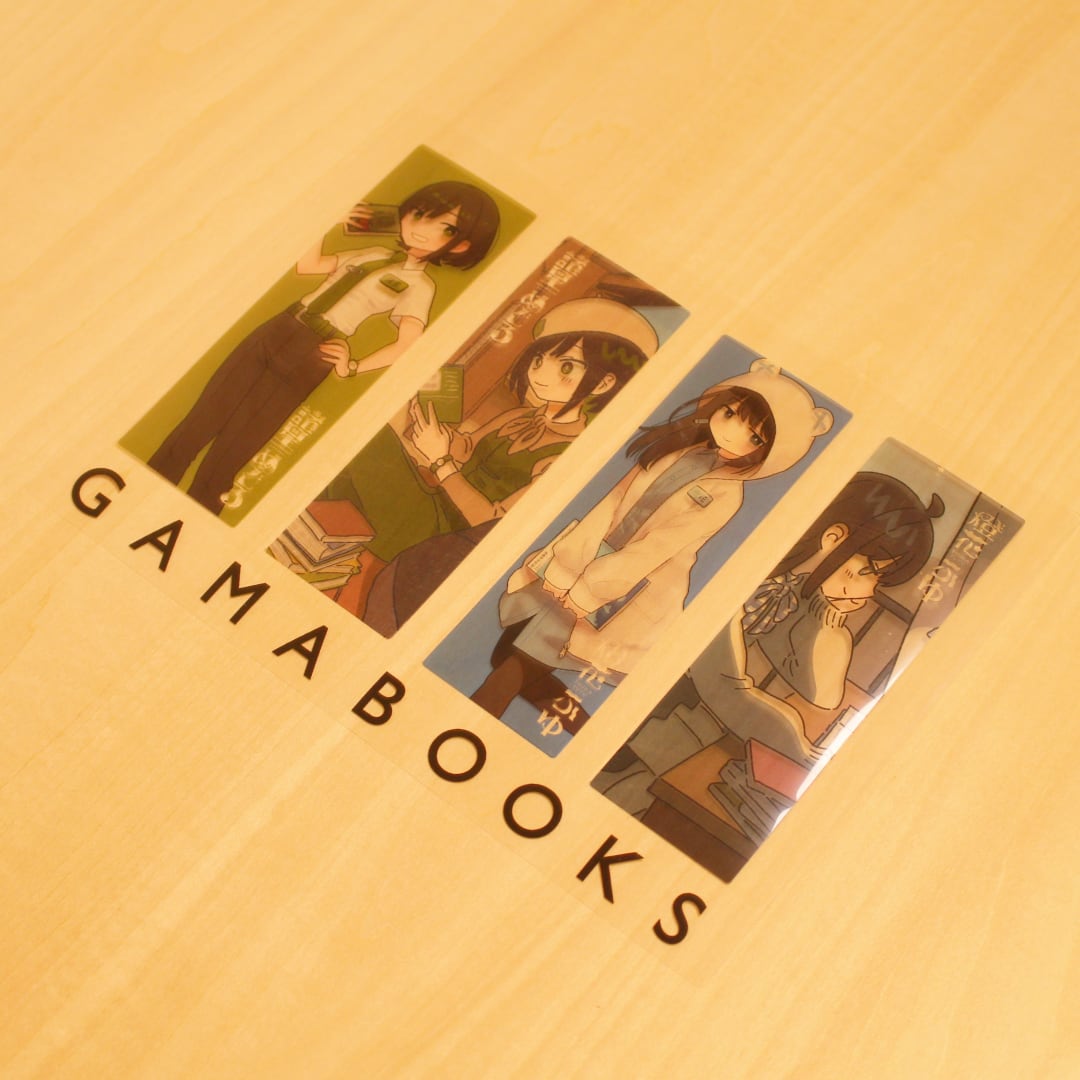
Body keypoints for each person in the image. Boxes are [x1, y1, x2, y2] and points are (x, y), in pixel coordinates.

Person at [469, 360, 836, 719]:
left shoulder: (726, 495)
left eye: (754, 437)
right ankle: (579, 725)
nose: (731, 433)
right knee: (509, 650)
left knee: (521, 661)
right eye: (729, 414)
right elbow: (611, 502)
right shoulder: (675, 450)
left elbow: (659, 547)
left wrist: (592, 588)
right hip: (583, 557)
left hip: (629, 585)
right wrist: (569, 561)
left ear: (768, 454)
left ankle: (544, 720)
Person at [593, 471, 944, 817]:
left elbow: (820, 695)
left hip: (673, 723)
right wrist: (804, 752)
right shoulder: (749, 566)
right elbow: (724, 689)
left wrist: (828, 623)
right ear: (833, 538)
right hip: (627, 702)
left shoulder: (792, 591)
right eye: (869, 572)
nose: (868, 592)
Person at [147, 181, 500, 514]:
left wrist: (353, 366)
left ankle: (191, 518)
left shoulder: (420, 286)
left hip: (313, 353)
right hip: (279, 327)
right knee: (196, 424)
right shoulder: (373, 252)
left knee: (233, 452)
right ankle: (142, 494)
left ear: (460, 246)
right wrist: (328, 220)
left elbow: (407, 343)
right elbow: (309, 266)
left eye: (445, 228)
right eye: (419, 214)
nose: (421, 228)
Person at [316, 297, 659, 622]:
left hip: (450, 537)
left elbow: (494, 522)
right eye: (539, 361)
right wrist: (437, 432)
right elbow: (467, 448)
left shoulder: (565, 457)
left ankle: (322, 552)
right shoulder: (521, 417)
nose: (541, 374)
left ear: (604, 383)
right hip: (435, 501)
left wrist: (441, 463)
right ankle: (315, 547)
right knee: (363, 444)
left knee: (368, 451)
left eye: (566, 366)